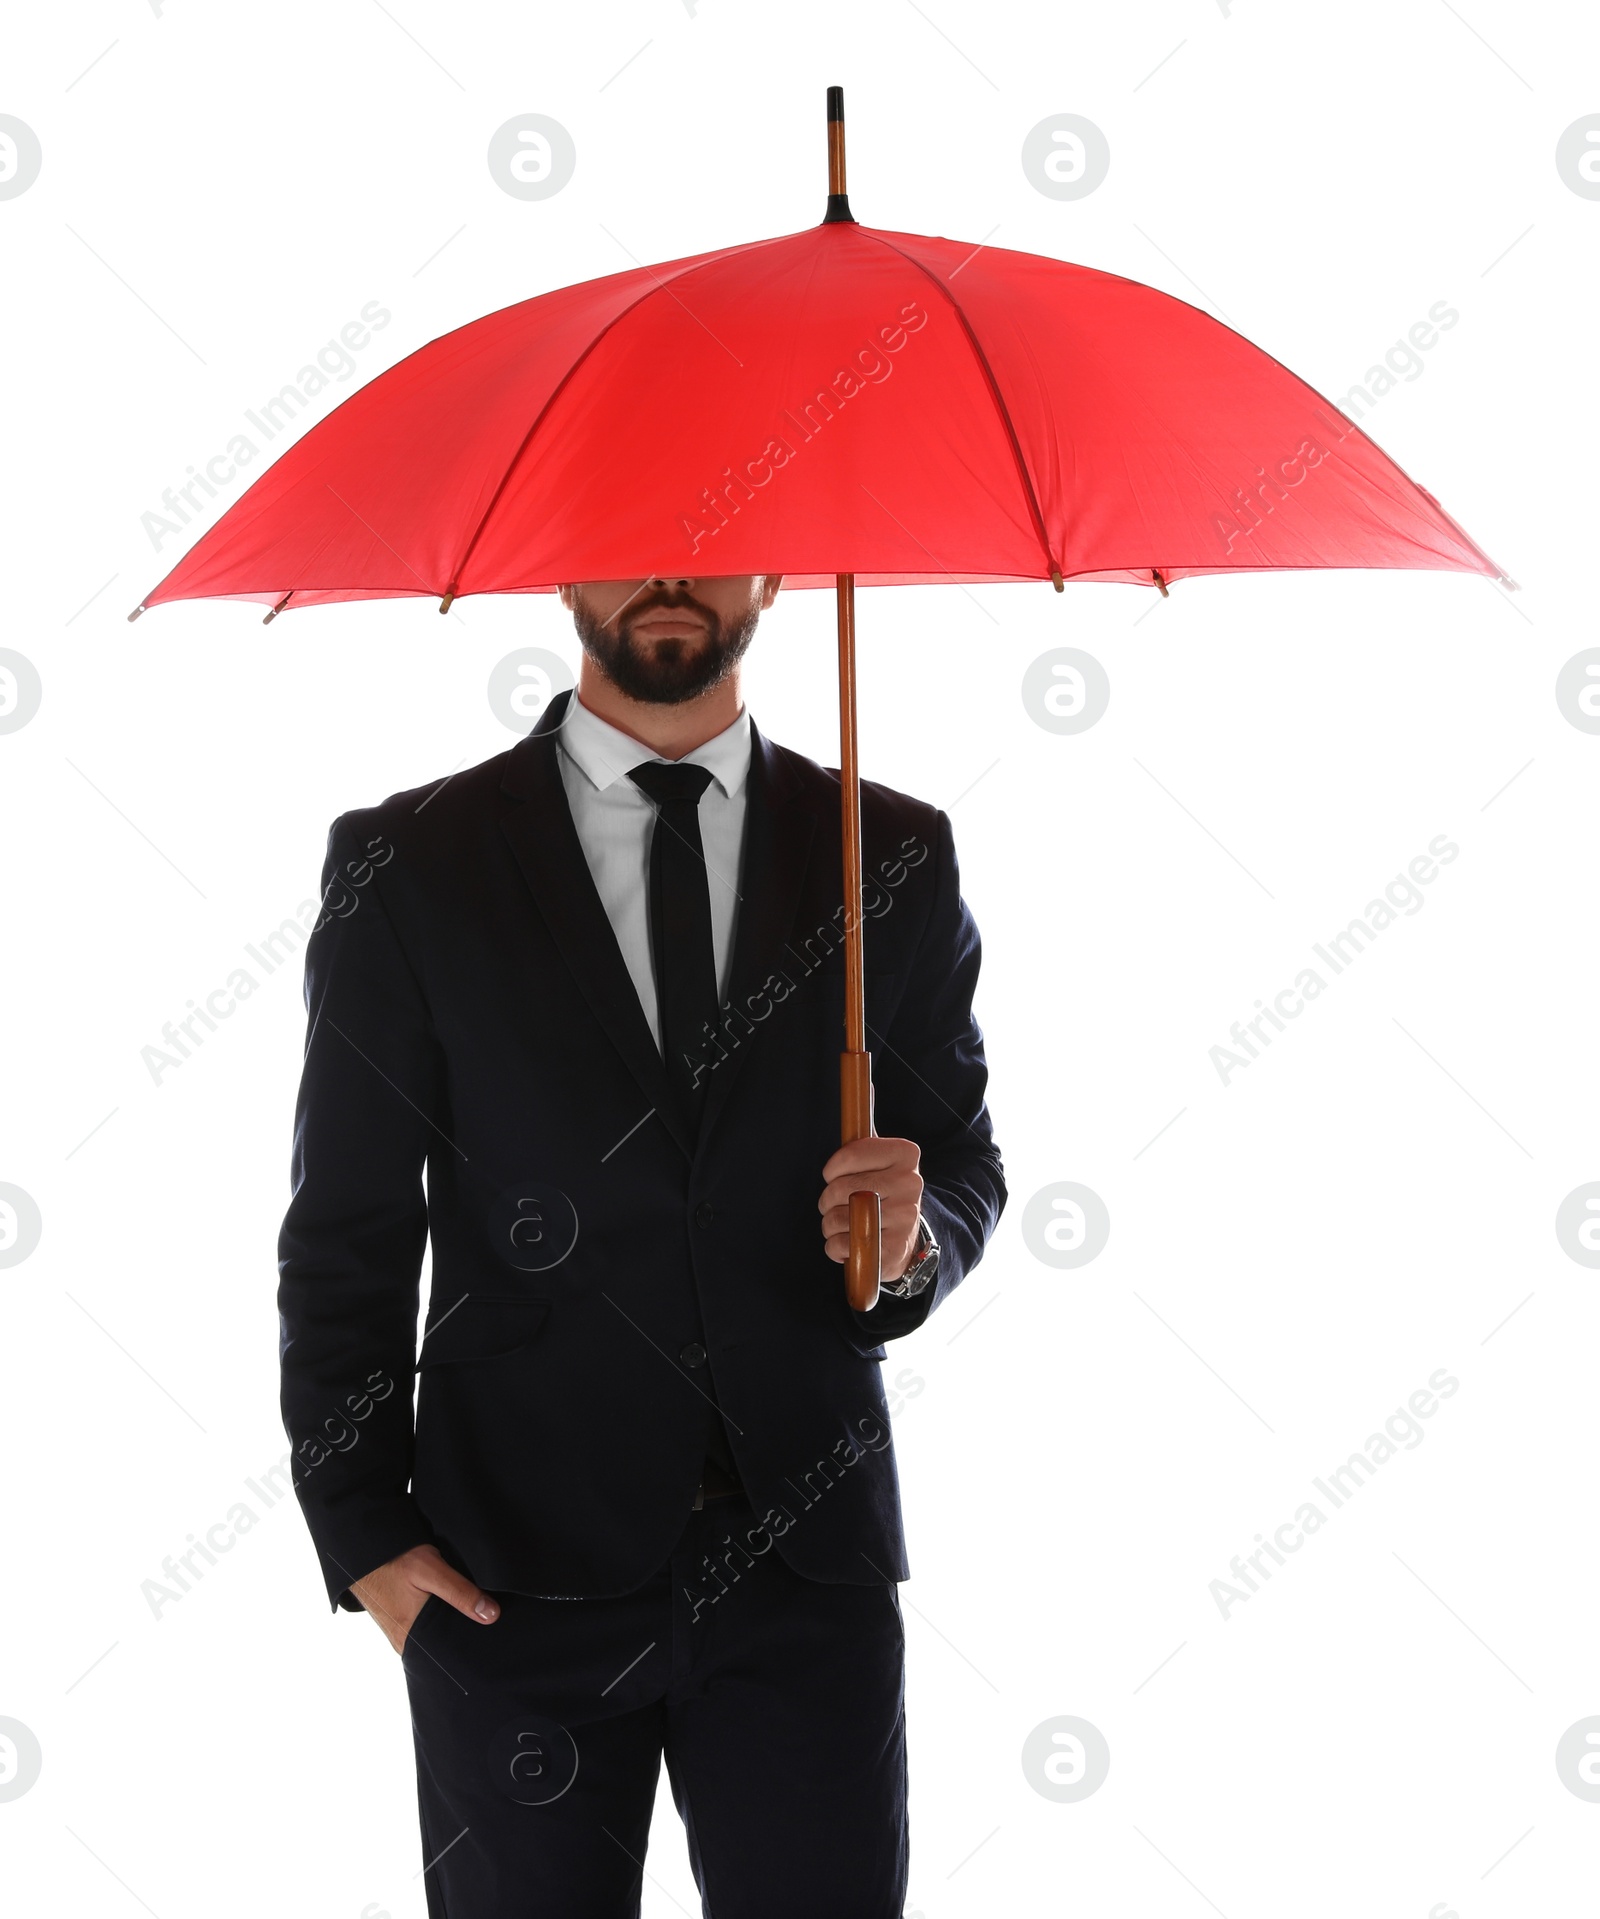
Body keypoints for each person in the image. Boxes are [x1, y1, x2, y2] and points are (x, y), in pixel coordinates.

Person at [277, 572, 1005, 1917]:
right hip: (508, 1581)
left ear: (777, 571)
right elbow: (349, 1232)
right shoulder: (412, 862)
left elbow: (962, 1162)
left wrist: (910, 1242)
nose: (671, 575)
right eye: (629, 538)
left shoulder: (888, 850)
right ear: (563, 565)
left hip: (806, 1561)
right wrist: (363, 1533)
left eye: (714, 535)